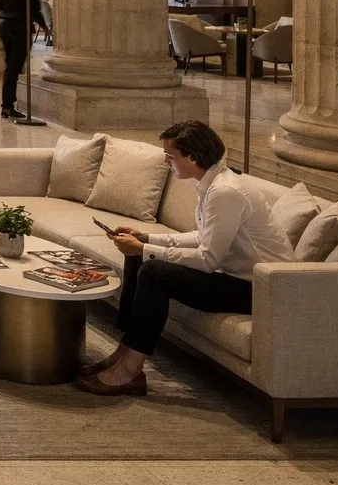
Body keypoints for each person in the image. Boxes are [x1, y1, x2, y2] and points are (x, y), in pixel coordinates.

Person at [77, 120, 293, 396]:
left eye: (171, 156)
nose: (167, 162)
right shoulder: (212, 183)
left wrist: (145, 250)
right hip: (235, 279)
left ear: (192, 156)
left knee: (154, 270)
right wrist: (144, 239)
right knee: (138, 257)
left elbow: (208, 259)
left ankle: (130, 371)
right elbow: (202, 236)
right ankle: (124, 350)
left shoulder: (225, 192)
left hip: (260, 291)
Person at [0, 0, 48, 120]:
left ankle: (7, 105)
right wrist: (44, 26)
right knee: (15, 68)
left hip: (4, 25)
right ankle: (8, 106)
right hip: (21, 28)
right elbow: (34, 9)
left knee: (10, 67)